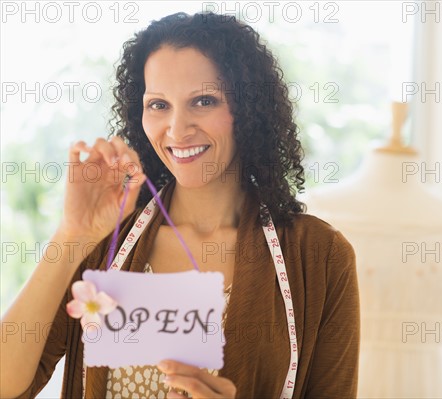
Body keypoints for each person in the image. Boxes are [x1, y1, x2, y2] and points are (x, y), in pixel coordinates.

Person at [0, 11, 360, 399]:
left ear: (248, 111)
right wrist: (72, 235)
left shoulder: (318, 258)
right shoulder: (105, 242)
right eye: (158, 104)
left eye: (203, 100)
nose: (176, 129)